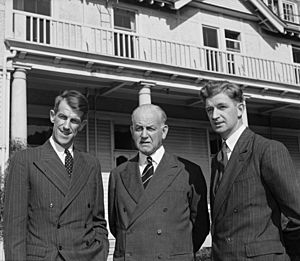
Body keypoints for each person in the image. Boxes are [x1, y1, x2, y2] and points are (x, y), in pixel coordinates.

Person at [199, 81, 300, 261]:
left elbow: (296, 214)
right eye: (209, 110)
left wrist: (283, 254)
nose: (215, 115)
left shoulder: (267, 149)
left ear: (240, 109)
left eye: (222, 107)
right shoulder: (217, 159)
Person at [3, 90, 109, 261]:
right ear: (53, 116)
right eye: (62, 117)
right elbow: (14, 229)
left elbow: (98, 220)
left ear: (82, 125)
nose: (66, 126)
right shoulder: (26, 160)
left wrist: (100, 252)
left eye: (74, 120)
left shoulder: (91, 164)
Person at [108, 104, 209, 261]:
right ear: (131, 131)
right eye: (138, 128)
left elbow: (200, 225)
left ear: (164, 131)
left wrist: (178, 252)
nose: (144, 135)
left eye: (151, 128)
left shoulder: (188, 171)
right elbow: (116, 225)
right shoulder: (118, 174)